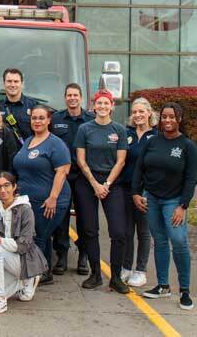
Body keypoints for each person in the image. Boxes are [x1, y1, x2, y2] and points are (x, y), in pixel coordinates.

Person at [132, 102, 197, 311]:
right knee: (159, 241)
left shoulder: (187, 146)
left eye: (172, 117)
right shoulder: (152, 142)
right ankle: (163, 286)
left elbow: (191, 179)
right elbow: (139, 169)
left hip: (174, 201)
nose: (168, 120)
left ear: (179, 119)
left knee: (179, 241)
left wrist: (183, 206)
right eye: (164, 117)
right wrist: (136, 193)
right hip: (152, 198)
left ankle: (185, 290)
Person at [74, 89, 130, 294]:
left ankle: (115, 277)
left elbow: (121, 160)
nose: (103, 107)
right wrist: (95, 184)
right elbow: (81, 159)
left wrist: (106, 184)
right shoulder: (84, 129)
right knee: (89, 230)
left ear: (112, 106)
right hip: (87, 182)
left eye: (107, 103)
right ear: (94, 106)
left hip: (111, 183)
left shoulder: (119, 130)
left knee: (118, 232)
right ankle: (95, 273)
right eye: (99, 103)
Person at [11, 104, 71, 285]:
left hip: (50, 200)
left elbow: (62, 171)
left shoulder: (55, 143)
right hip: (29, 200)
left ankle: (44, 273)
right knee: (36, 235)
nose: (37, 121)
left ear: (49, 120)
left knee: (40, 236)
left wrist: (53, 198)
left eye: (41, 118)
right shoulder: (29, 141)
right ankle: (42, 269)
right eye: (34, 118)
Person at [0, 172, 48, 316]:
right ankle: (21, 282)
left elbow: (23, 245)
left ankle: (0, 300)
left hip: (24, 259)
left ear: (14, 186)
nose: (3, 190)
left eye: (6, 185)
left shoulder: (26, 209)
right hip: (7, 259)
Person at [49, 83, 94, 276]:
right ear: (65, 97)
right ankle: (62, 255)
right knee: (61, 216)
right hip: (63, 175)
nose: (72, 98)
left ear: (81, 98)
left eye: (76, 95)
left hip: (84, 176)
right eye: (69, 95)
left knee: (85, 217)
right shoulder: (57, 118)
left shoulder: (91, 120)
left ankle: (83, 255)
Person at [120, 97, 158, 288]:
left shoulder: (157, 136)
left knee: (143, 232)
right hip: (126, 188)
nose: (138, 115)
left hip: (146, 191)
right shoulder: (126, 134)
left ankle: (140, 270)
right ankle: (126, 267)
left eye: (141, 111)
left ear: (149, 113)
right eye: (134, 112)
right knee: (126, 231)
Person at [0, 68, 38, 145]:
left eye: (16, 81)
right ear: (4, 83)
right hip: (3, 155)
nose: (12, 85)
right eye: (9, 81)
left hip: (26, 154)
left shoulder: (34, 106)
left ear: (22, 84)